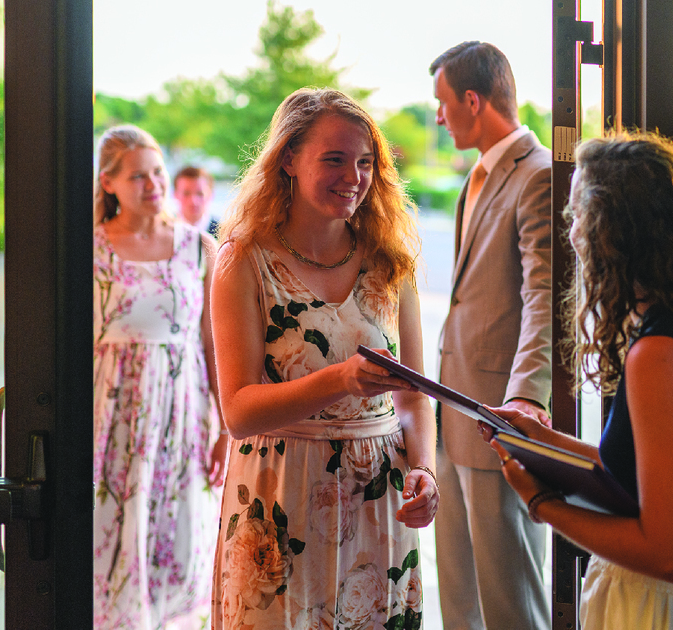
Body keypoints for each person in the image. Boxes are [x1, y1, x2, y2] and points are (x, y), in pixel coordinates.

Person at [482, 132, 673, 629]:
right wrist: (543, 441)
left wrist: (541, 503)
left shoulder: (659, 356)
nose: (570, 231)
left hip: (663, 609)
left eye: (578, 215)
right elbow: (654, 478)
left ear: (613, 232)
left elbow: (671, 557)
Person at [209, 88, 439, 630]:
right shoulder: (243, 259)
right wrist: (342, 379)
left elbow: (413, 391)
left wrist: (425, 468)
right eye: (334, 159)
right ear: (287, 158)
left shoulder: (390, 260)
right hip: (279, 499)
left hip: (378, 498)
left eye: (365, 162)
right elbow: (239, 411)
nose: (353, 176)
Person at [427, 41, 553, 629]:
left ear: (472, 100)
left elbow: (544, 296)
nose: (437, 115)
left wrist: (527, 394)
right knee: (459, 595)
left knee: (510, 599)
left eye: (442, 102)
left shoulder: (539, 176)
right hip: (455, 411)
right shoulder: (476, 176)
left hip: (500, 415)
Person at [92, 125, 227, 630]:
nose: (153, 184)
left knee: (178, 538)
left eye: (157, 172)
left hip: (182, 416)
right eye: (137, 176)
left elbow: (213, 345)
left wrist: (225, 430)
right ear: (109, 183)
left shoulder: (199, 249)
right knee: (112, 541)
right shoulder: (92, 248)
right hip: (111, 419)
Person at [174, 165, 220, 237]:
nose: (193, 201)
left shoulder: (224, 233)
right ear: (175, 195)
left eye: (200, 194)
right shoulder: (163, 231)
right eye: (186, 193)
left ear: (210, 195)